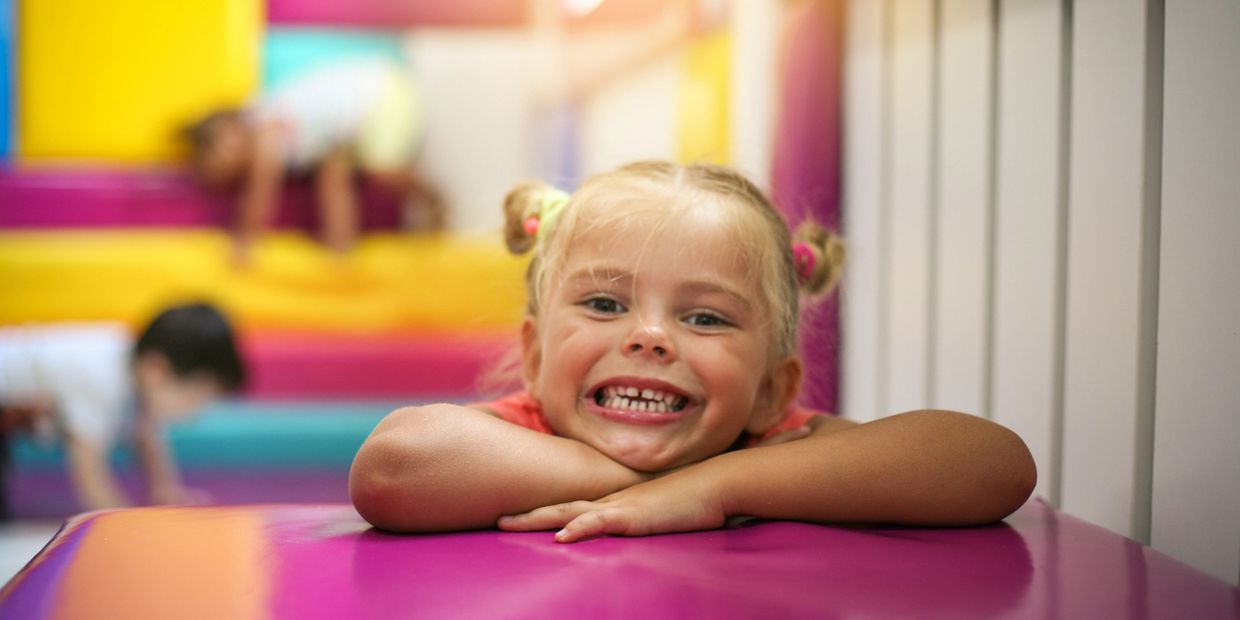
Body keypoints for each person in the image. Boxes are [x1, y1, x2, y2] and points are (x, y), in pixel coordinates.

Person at [348, 161, 1037, 542]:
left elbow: (996, 464)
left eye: (704, 317)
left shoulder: (769, 442)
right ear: (533, 356)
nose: (648, 336)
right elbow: (395, 468)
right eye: (604, 304)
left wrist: (714, 484)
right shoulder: (524, 427)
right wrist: (647, 486)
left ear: (772, 389)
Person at [184, 57, 444, 263]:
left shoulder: (263, 130)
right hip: (341, 133)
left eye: (220, 151)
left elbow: (260, 193)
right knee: (332, 173)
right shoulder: (270, 125)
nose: (223, 161)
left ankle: (433, 200)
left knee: (380, 170)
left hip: (383, 94)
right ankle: (340, 247)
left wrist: (244, 245)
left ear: (235, 129)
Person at [0, 303, 245, 517]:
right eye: (196, 396)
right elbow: (89, 473)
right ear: (157, 370)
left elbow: (146, 436)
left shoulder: (136, 370)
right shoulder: (100, 377)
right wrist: (128, 525)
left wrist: (166, 491)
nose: (197, 410)